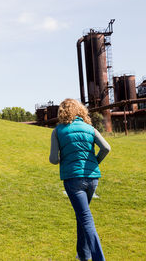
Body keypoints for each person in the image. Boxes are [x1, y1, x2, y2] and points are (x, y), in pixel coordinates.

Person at [49, 99, 110, 261]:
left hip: (73, 180)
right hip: (92, 179)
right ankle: (83, 255)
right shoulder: (90, 128)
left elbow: (53, 159)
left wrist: (63, 157)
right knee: (82, 215)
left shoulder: (58, 131)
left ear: (62, 111)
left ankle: (98, 258)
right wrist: (95, 161)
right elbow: (106, 148)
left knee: (85, 219)